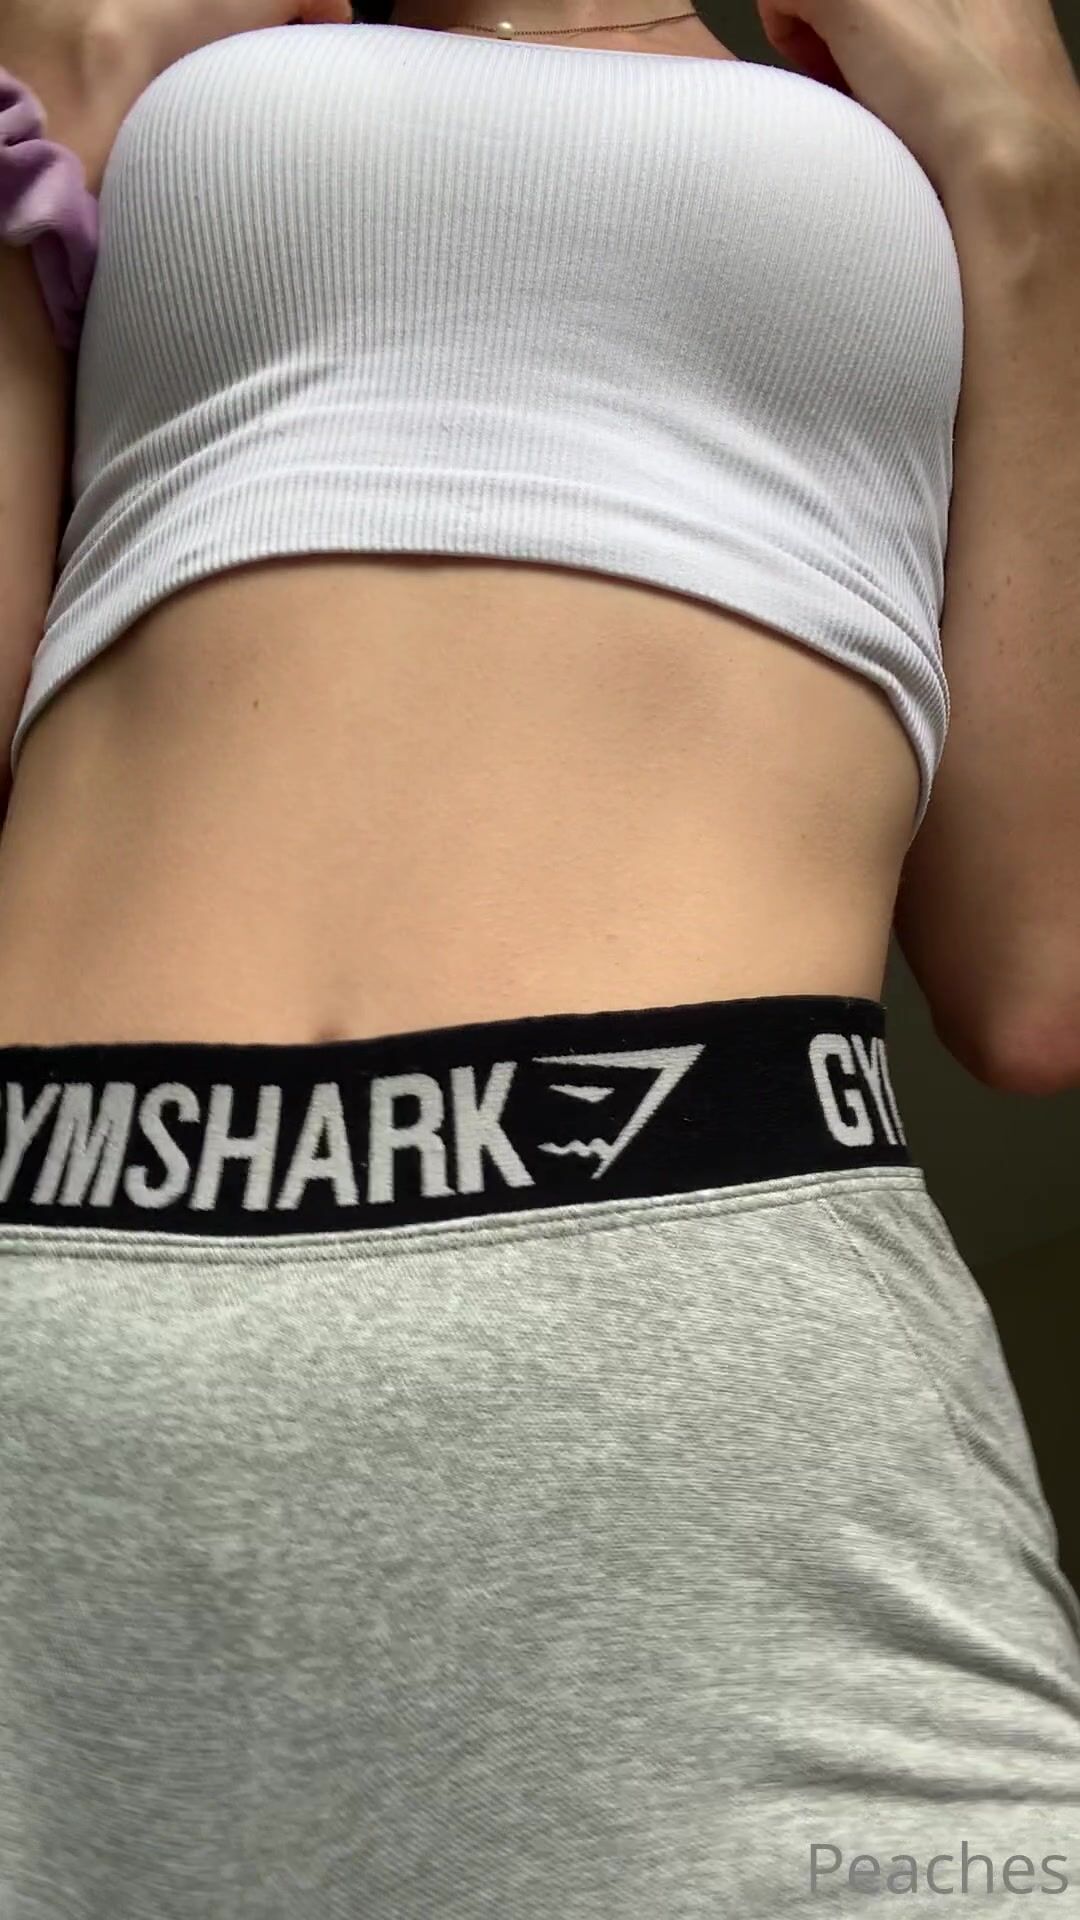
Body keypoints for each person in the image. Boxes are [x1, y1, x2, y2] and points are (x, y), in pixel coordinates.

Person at [0, 0, 1078, 1911]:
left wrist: (1026, 188)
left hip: (695, 1358)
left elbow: (1035, 976)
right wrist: (49, 148)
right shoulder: (167, 61)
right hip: (61, 1322)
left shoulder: (925, 67)